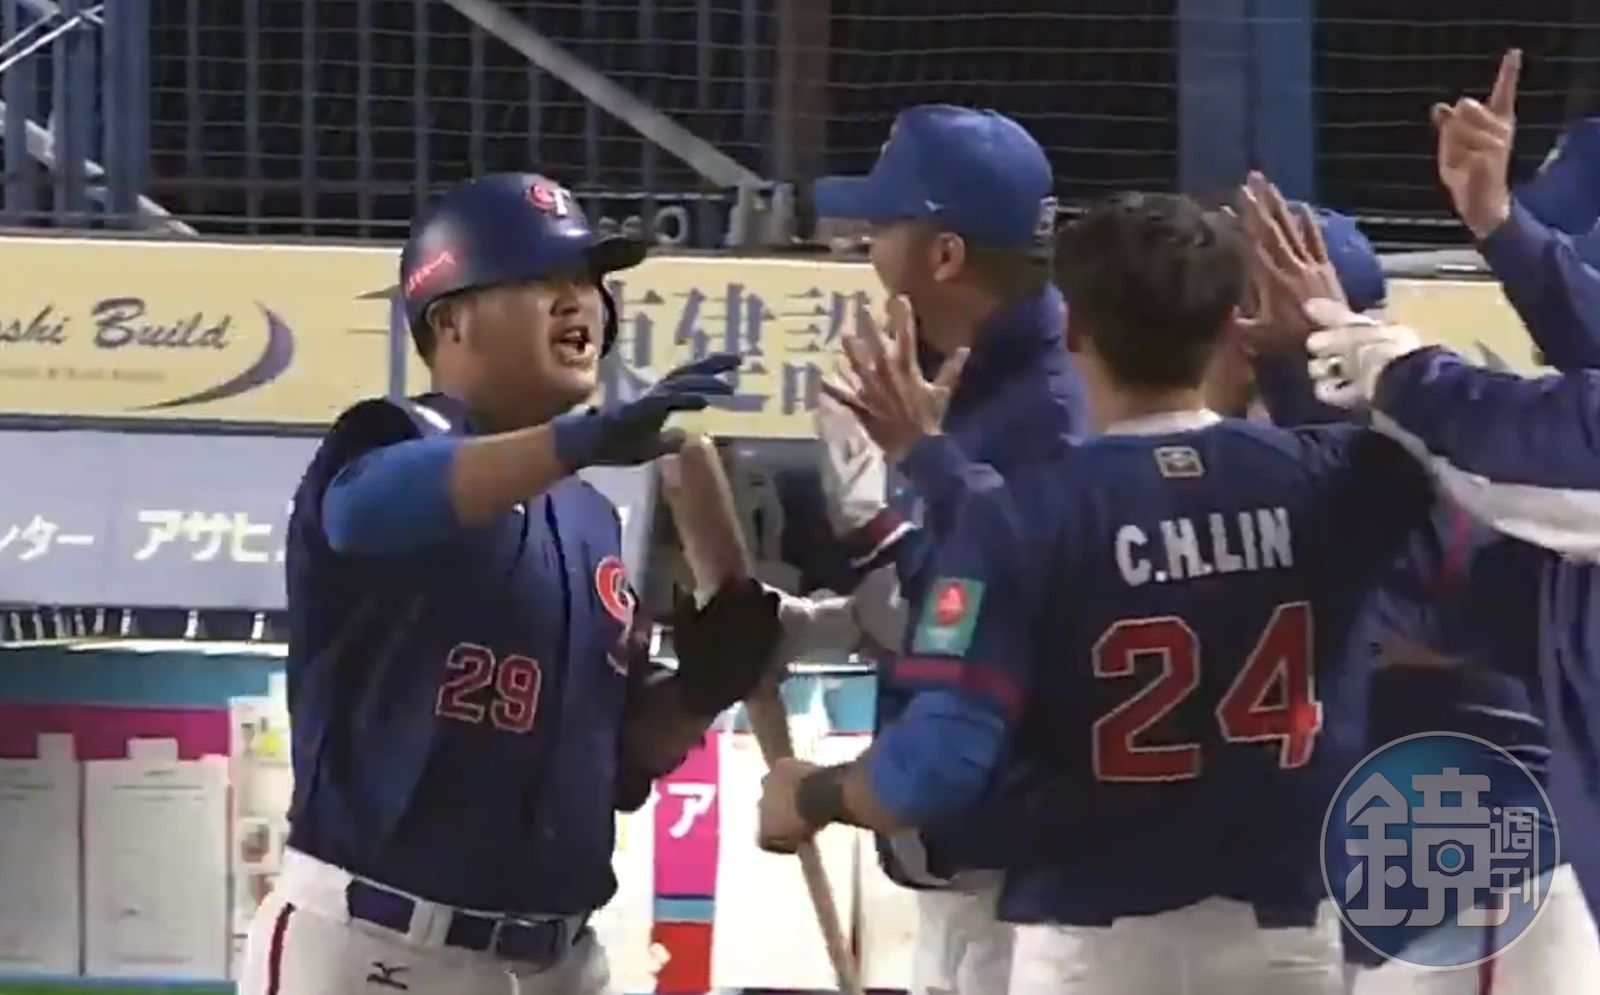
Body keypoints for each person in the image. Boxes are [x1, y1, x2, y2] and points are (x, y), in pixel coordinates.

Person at [757, 190, 1451, 993]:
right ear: (1231, 325)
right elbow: (1395, 468)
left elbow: (939, 766)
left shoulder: (1027, 516)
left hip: (1094, 944)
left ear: (1075, 329)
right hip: (1286, 942)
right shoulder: (1333, 477)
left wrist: (814, 793)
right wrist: (1299, 358)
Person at [238, 173, 783, 995]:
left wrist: (702, 689)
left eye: (588, 280)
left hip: (558, 958)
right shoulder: (392, 440)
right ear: (449, 319)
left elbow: (620, 758)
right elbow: (359, 513)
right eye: (539, 278)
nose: (578, 301)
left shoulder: (590, 517)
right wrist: (576, 439)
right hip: (376, 944)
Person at [1233, 176, 1595, 993]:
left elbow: (1436, 621)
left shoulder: (1449, 457)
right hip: (1411, 865)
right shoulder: (1348, 440)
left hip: (1488, 870)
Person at [773, 102, 1090, 995]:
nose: (864, 248)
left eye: (882, 228)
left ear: (944, 255)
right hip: (988, 879)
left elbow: (1011, 621)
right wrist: (825, 621)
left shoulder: (1046, 412)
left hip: (1026, 886)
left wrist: (877, 526)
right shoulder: (978, 379)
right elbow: (949, 596)